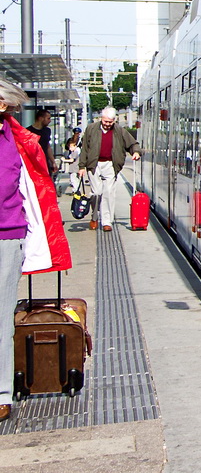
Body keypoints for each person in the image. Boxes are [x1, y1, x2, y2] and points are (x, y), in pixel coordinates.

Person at [0, 79, 72, 423]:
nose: (13, 112)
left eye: (13, 107)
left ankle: (1, 393)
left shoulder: (14, 138)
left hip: (8, 234)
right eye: (11, 106)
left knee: (1, 315)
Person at [78, 107, 142, 232]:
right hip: (94, 164)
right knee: (96, 193)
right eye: (105, 121)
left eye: (110, 122)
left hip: (110, 164)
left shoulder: (119, 130)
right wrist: (81, 166)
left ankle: (107, 222)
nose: (107, 124)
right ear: (101, 119)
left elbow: (132, 144)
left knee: (108, 192)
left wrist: (136, 152)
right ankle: (94, 217)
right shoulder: (91, 129)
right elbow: (85, 148)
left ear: (114, 121)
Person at [29, 108, 55, 175]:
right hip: (33, 163)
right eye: (48, 118)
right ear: (41, 118)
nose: (50, 121)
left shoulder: (47, 131)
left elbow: (48, 147)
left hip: (45, 162)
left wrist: (53, 162)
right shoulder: (28, 131)